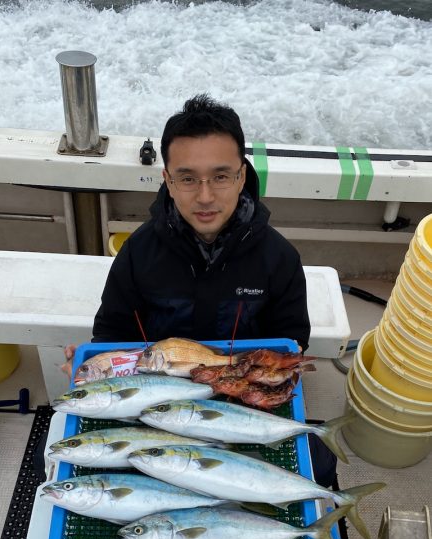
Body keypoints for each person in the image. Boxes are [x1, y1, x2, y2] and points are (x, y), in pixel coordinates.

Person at [62, 93, 310, 377]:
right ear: (168, 180)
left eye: (220, 177)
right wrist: (95, 366)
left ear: (241, 177)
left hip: (242, 387)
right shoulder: (137, 253)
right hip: (157, 393)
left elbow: (291, 343)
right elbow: (113, 335)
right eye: (188, 179)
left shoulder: (280, 259)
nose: (205, 197)